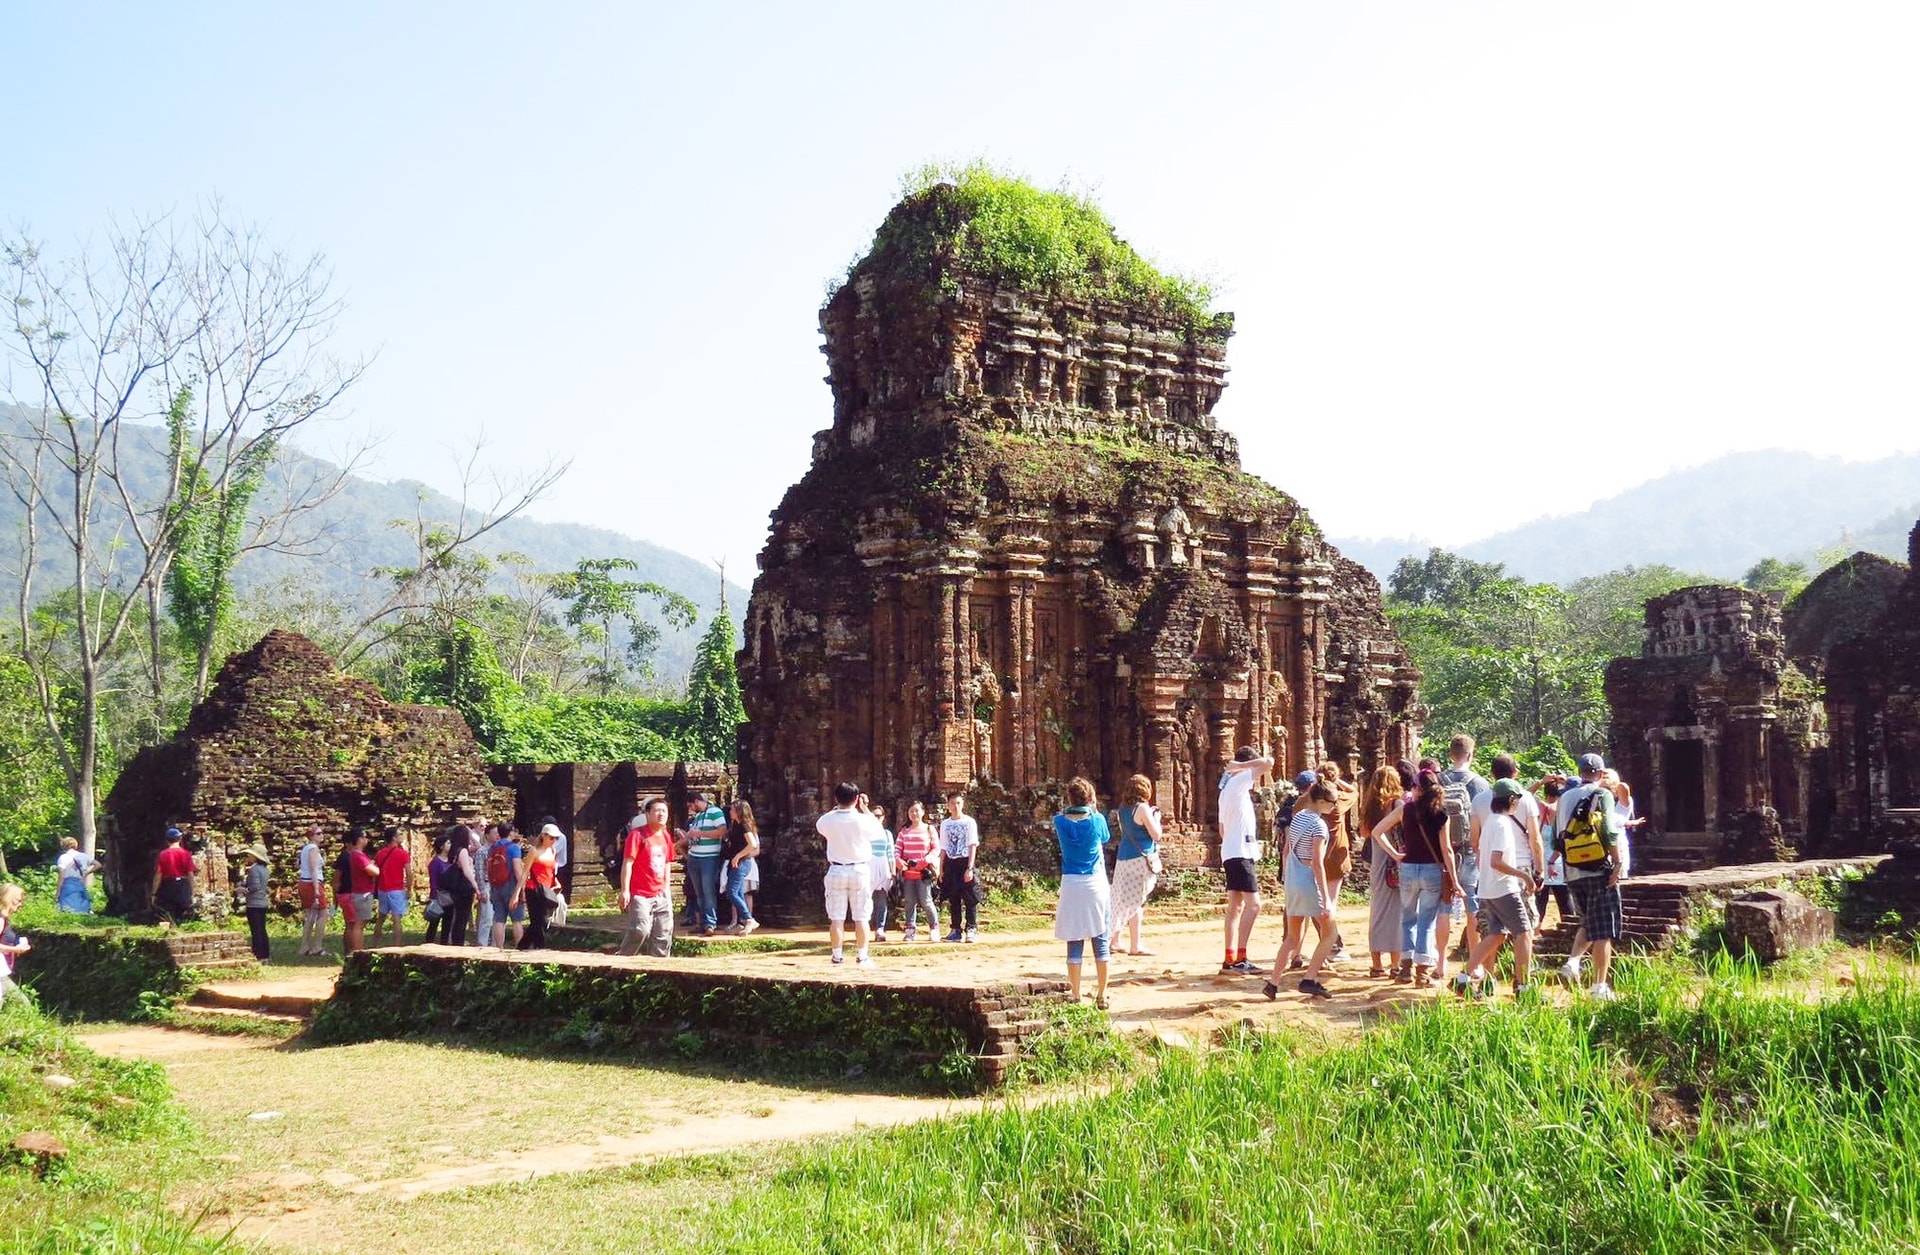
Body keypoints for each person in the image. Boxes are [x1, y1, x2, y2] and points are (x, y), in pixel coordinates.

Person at [1370, 766, 1458, 987]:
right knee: (1426, 922)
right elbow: (1446, 850)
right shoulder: (1441, 814)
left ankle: (1405, 969)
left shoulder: (1405, 810)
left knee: (1407, 920)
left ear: (1418, 789)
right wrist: (1455, 881)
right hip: (1431, 871)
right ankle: (1422, 973)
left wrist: (1396, 854)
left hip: (1408, 869)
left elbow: (1377, 831)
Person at [1454, 780, 1539, 998]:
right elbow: (1496, 861)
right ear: (1511, 800)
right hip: (1504, 888)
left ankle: (1462, 979)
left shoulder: (1491, 821)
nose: (1519, 803)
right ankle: (1523, 986)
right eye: (1518, 799)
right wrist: (1524, 875)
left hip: (1487, 888)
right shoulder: (1502, 824)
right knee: (1524, 932)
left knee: (1495, 935)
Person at [1556, 754, 1626, 999]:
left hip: (1572, 870)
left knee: (1588, 920)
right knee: (1603, 930)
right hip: (1598, 869)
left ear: (1581, 771)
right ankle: (1599, 987)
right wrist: (1617, 862)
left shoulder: (1564, 797)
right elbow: (1608, 829)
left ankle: (1573, 963)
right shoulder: (1602, 794)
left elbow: (1559, 837)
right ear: (1600, 772)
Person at [1264, 779, 1340, 1000]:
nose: (1334, 807)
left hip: (1293, 880)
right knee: (1330, 933)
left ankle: (1273, 983)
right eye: (1332, 803)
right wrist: (1326, 899)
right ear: (1321, 801)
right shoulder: (1319, 825)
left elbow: (1287, 850)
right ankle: (1310, 979)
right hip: (1309, 881)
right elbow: (1317, 863)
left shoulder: (1298, 818)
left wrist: (1288, 879)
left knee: (1292, 937)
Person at [1053, 778, 1114, 1008]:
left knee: (1074, 940)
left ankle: (1076, 995)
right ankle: (1102, 995)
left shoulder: (1059, 821)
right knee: (1101, 940)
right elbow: (1106, 838)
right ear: (1090, 797)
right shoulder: (1097, 820)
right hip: (1094, 882)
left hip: (1071, 883)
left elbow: (1065, 818)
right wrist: (1093, 808)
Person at [1218, 746, 1274, 974]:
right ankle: (1240, 957)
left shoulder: (1226, 791)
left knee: (1236, 906)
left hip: (1231, 851)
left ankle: (1230, 957)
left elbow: (1222, 830)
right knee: (1254, 904)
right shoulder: (1239, 780)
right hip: (1240, 852)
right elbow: (1269, 762)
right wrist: (1240, 767)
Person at [1436, 735, 1489, 976]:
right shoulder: (1479, 783)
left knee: (1443, 908)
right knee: (1472, 908)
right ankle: (1474, 964)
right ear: (1470, 755)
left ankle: (1440, 963)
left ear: (1450, 755)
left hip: (1443, 851)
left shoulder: (1438, 780)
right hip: (1470, 850)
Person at [817, 782, 881, 967]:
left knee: (836, 918)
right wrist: (865, 808)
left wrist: (839, 806)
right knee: (861, 917)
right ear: (856, 799)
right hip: (859, 870)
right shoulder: (864, 820)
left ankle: (837, 956)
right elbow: (877, 831)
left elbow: (820, 824)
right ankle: (862, 956)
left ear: (836, 799)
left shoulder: (828, 820)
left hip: (836, 869)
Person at [1359, 764, 1408, 977]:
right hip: (1394, 861)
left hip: (1377, 862)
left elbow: (1364, 832)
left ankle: (1376, 964)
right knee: (1396, 913)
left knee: (1377, 912)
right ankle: (1395, 965)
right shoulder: (1396, 804)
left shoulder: (1369, 805)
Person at [1108, 774, 1163, 957]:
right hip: (1140, 859)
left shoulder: (1122, 809)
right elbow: (1156, 835)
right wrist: (1157, 818)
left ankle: (1114, 940)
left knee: (1121, 901)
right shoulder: (1143, 809)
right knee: (1136, 902)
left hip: (1123, 858)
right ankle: (1135, 945)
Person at [617, 799, 676, 958]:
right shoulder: (637, 835)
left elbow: (667, 863)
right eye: (657, 811)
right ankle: (623, 959)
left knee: (664, 932)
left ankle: (659, 968)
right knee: (640, 930)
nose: (661, 814)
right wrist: (625, 890)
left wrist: (667, 889)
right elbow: (628, 862)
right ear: (647, 814)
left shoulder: (665, 836)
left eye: (664, 811)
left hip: (661, 892)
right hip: (640, 892)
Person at [1316, 760, 1358, 962]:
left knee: (1321, 903)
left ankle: (1327, 944)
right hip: (1336, 858)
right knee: (1329, 904)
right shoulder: (1338, 801)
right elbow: (1355, 791)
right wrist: (1337, 780)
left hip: (1316, 857)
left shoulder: (1313, 800)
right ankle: (1333, 946)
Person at [681, 793, 729, 937]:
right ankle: (702, 922)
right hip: (695, 856)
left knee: (708, 891)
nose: (690, 809)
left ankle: (710, 923)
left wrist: (701, 833)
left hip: (709, 857)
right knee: (699, 893)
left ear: (696, 801)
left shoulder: (715, 812)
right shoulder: (698, 816)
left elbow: (722, 831)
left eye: (691, 805)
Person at [937, 790, 981, 943]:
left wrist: (969, 867)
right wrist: (941, 869)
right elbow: (943, 848)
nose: (955, 806)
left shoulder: (969, 822)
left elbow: (972, 845)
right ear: (947, 806)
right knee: (953, 897)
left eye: (958, 803)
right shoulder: (945, 824)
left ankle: (971, 928)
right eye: (952, 803)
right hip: (951, 862)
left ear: (963, 804)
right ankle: (955, 930)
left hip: (965, 861)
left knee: (970, 898)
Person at [893, 800, 938, 941]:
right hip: (908, 874)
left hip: (924, 873)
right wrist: (898, 861)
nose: (914, 814)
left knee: (926, 901)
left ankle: (934, 928)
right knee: (909, 901)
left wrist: (924, 861)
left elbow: (936, 848)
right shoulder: (904, 832)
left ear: (923, 812)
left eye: (917, 810)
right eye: (911, 811)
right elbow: (897, 850)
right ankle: (910, 929)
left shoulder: (929, 829)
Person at [1533, 777, 1575, 926]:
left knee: (1540, 902)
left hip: (1542, 862)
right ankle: (1570, 931)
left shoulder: (1543, 808)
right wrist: (1566, 781)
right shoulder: (1564, 808)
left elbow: (1526, 795)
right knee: (1565, 901)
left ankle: (1535, 934)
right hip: (1561, 861)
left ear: (1546, 793)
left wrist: (1541, 781)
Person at [335, 827, 379, 955]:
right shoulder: (355, 856)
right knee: (356, 925)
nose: (367, 840)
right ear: (359, 839)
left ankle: (352, 952)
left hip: (355, 893)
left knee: (354, 924)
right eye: (364, 837)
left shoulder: (354, 855)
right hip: (357, 893)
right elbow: (374, 871)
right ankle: (357, 952)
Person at [518, 825, 562, 950]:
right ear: (544, 836)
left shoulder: (552, 851)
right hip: (533, 889)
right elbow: (525, 872)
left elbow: (550, 871)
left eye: (556, 839)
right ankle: (539, 947)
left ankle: (524, 946)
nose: (554, 841)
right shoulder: (534, 851)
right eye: (552, 838)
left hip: (546, 890)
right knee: (539, 921)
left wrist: (555, 882)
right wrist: (517, 893)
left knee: (540, 921)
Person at [721, 799, 761, 935]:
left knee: (732, 892)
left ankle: (748, 918)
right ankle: (742, 921)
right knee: (736, 892)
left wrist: (738, 856)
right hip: (735, 862)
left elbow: (753, 844)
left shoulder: (744, 825)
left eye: (732, 810)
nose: (730, 812)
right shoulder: (736, 825)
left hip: (742, 862)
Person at [487, 822, 527, 949]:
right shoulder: (514, 848)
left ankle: (499, 947)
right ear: (510, 833)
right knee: (517, 920)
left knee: (499, 919)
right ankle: (519, 947)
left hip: (496, 887)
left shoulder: (492, 848)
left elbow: (488, 868)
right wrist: (522, 888)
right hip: (511, 887)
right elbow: (517, 868)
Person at [373, 826, 411, 947]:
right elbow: (409, 873)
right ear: (394, 838)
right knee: (397, 919)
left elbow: (376, 872)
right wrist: (409, 889)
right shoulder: (403, 854)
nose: (402, 836)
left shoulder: (380, 853)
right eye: (400, 834)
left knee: (381, 918)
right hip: (397, 889)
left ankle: (376, 944)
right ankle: (397, 945)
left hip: (383, 888)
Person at [441, 826, 479, 948]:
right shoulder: (463, 851)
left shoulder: (453, 850)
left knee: (458, 915)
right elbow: (467, 871)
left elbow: (478, 846)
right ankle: (458, 942)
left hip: (456, 886)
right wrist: (476, 886)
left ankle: (456, 940)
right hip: (464, 885)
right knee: (462, 917)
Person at [150, 827, 197, 925]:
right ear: (180, 839)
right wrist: (193, 892)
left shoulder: (163, 854)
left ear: (167, 840)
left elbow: (158, 875)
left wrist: (153, 893)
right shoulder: (186, 854)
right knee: (184, 913)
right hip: (183, 885)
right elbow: (190, 875)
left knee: (168, 914)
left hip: (168, 885)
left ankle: (171, 930)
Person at [296, 824, 329, 956]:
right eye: (318, 833)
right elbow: (314, 869)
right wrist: (316, 889)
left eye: (321, 833)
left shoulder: (306, 848)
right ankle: (317, 946)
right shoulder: (313, 849)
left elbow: (299, 865)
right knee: (323, 914)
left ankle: (304, 946)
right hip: (312, 883)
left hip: (305, 882)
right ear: (312, 836)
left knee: (310, 916)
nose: (321, 835)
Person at [241, 843, 272, 962]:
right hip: (263, 902)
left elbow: (255, 887)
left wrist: (243, 890)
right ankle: (265, 954)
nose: (249, 857)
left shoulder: (253, 870)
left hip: (254, 903)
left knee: (256, 930)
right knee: (262, 929)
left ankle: (258, 954)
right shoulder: (264, 869)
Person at [0, 884, 28, 1007]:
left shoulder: (4, 919)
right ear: (9, 898)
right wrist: (15, 949)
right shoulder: (1, 919)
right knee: (23, 1004)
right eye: (18, 900)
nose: (20, 904)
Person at [470, 822, 497, 946]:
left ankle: (494, 942)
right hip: (486, 885)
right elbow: (479, 873)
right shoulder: (482, 851)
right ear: (486, 835)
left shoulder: (498, 850)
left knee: (497, 916)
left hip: (497, 885)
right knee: (486, 916)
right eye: (494, 833)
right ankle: (482, 942)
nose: (497, 835)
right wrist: (481, 891)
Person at [422, 835, 451, 944]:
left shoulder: (451, 860)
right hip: (439, 895)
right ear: (441, 846)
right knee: (434, 921)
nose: (450, 845)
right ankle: (429, 942)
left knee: (447, 922)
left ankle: (444, 942)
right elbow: (433, 880)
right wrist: (433, 897)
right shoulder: (435, 862)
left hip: (449, 896)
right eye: (448, 843)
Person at [55, 837, 95, 914]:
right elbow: (98, 865)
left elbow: (61, 876)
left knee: (67, 905)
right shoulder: (83, 856)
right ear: (75, 845)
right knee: (81, 901)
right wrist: (86, 873)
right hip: (80, 883)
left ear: (64, 846)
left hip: (67, 884)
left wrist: (58, 892)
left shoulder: (63, 857)